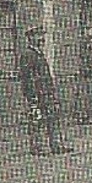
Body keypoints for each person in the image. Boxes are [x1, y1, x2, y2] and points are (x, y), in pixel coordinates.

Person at [18, 26, 72, 155]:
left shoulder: (39, 54)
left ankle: (56, 146)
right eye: (38, 36)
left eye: (42, 36)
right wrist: (32, 96)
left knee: (52, 119)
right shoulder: (27, 55)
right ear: (30, 38)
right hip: (36, 93)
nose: (41, 39)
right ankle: (38, 148)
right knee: (37, 120)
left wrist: (51, 92)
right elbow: (27, 78)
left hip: (46, 93)